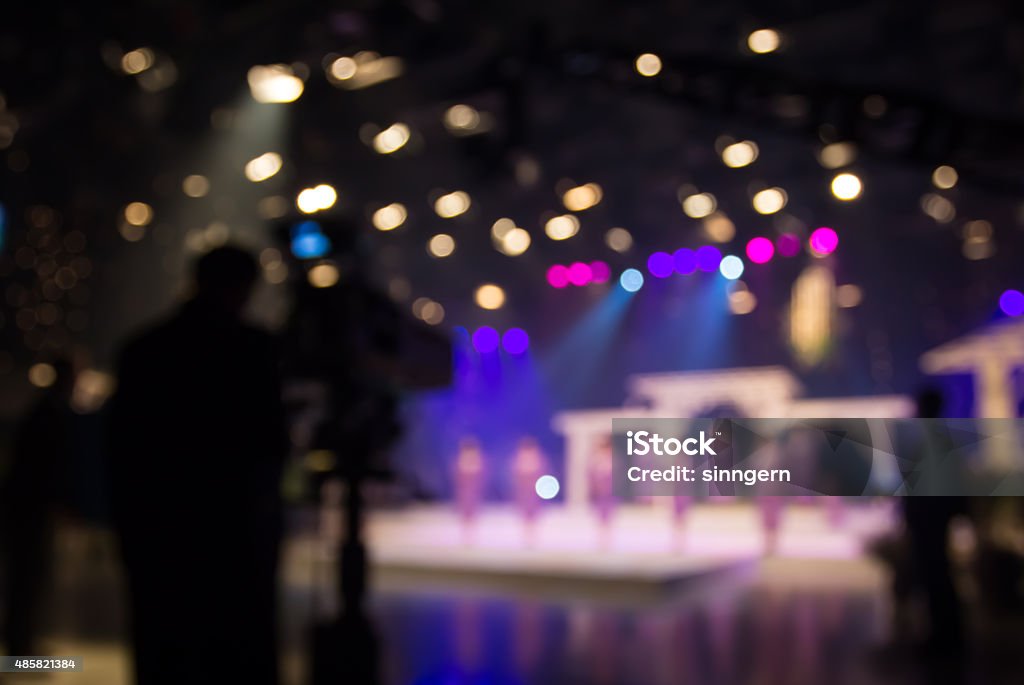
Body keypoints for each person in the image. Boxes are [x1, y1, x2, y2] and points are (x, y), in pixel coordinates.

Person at [108, 246, 288, 685]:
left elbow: (119, 450)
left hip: (159, 539)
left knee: (165, 654)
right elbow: (271, 444)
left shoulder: (143, 350)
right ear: (245, 288)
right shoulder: (254, 350)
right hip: (237, 540)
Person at [1, 359, 77, 656]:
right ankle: (20, 653)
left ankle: (22, 647)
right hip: (30, 511)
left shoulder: (43, 411)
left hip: (26, 508)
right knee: (27, 580)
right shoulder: (50, 414)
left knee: (27, 580)